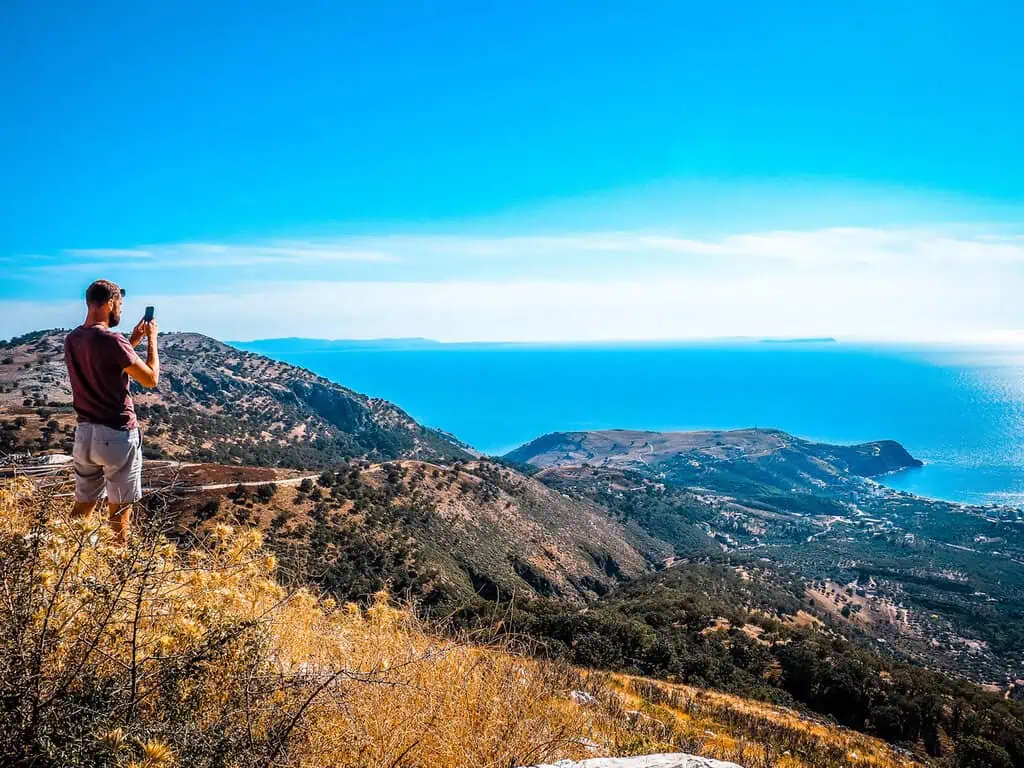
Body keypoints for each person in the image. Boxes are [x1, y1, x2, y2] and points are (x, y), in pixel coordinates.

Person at [64, 279, 160, 543]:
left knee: (82, 509)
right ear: (109, 303)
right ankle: (117, 572)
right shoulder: (112, 339)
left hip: (85, 435)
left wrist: (132, 342)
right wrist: (152, 340)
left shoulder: (73, 339)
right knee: (119, 515)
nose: (120, 310)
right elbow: (151, 378)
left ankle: (64, 558)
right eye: (119, 304)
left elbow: (106, 364)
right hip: (116, 436)